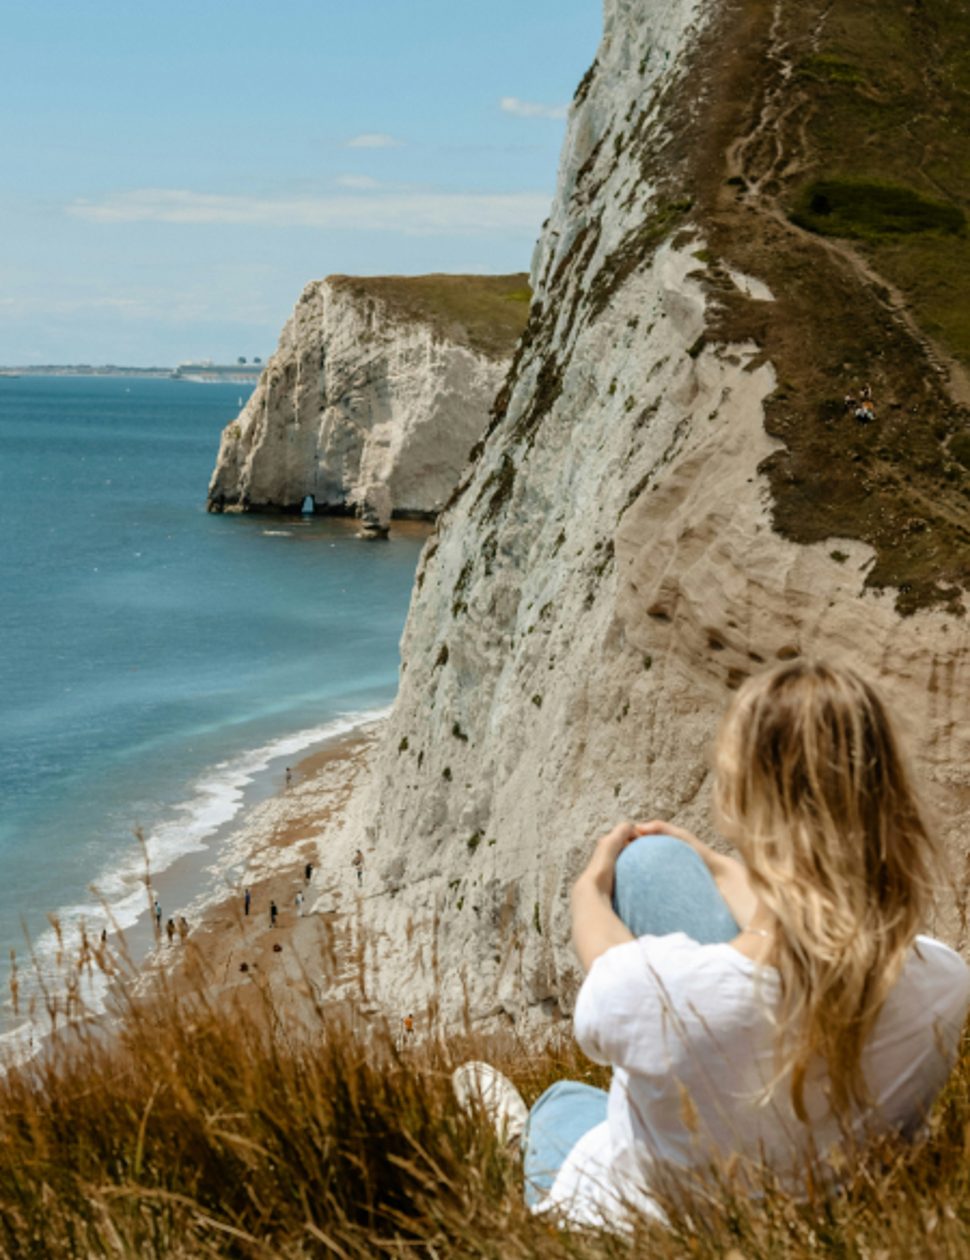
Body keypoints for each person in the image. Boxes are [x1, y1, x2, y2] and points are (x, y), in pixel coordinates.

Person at [453, 661, 970, 1231]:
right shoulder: (945, 982)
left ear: (741, 805)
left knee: (563, 1104)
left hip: (646, 1222)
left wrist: (593, 882)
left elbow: (605, 951)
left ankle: (510, 1149)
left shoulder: (661, 996)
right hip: (823, 1196)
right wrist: (712, 862)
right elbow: (807, 923)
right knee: (657, 863)